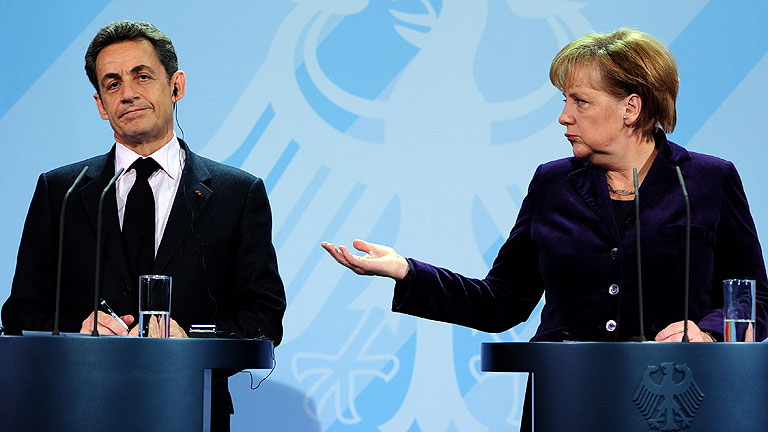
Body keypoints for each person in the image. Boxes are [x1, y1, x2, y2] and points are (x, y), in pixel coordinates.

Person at [321, 28, 768, 428]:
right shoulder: (553, 184)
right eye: (564, 101)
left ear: (630, 108)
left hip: (675, 402)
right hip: (566, 400)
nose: (564, 116)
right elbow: (501, 302)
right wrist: (407, 271)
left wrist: (708, 332)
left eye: (580, 101)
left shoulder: (708, 181)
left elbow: (754, 299)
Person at [1, 21, 286, 431]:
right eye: (113, 84)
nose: (128, 93)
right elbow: (21, 312)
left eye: (142, 76)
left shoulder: (236, 194)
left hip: (190, 409)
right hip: (78, 407)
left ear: (176, 86)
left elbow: (264, 316)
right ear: (101, 104)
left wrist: (191, 344)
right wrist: (77, 333)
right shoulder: (62, 191)